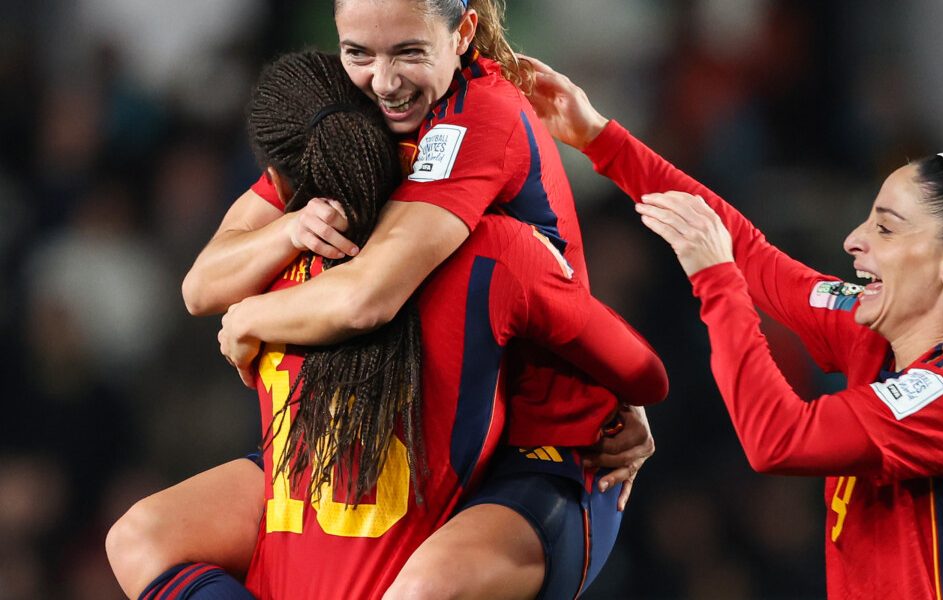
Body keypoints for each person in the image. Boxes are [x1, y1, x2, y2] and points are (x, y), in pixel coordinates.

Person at [106, 0, 660, 596]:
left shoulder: (478, 119)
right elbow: (200, 286)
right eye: (358, 53)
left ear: (463, 32)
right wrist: (288, 229)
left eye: (409, 52)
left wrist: (250, 317)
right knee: (143, 537)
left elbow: (367, 297)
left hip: (535, 454)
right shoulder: (348, 117)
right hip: (396, 435)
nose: (385, 81)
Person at [523, 56, 943, 599]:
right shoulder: (876, 328)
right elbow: (749, 253)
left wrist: (715, 279)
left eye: (885, 229)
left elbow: (778, 438)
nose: (853, 241)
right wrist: (600, 139)